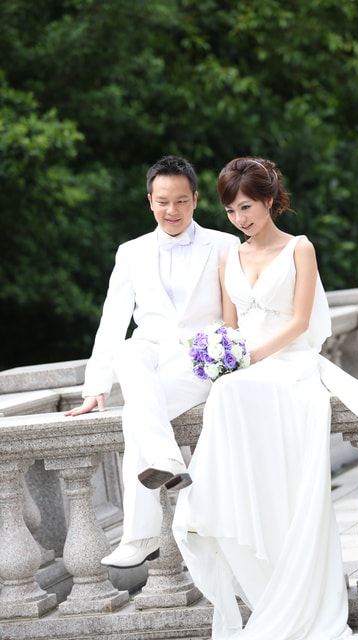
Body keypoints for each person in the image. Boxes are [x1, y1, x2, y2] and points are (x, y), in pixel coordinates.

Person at [173, 157, 358, 639]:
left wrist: (252, 357)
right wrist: (224, 354)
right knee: (226, 391)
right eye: (230, 211)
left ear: (269, 201)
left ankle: (298, 585)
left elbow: (299, 322)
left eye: (246, 207)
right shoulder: (230, 257)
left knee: (236, 389)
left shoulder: (299, 248)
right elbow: (230, 326)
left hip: (290, 362)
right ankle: (234, 517)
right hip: (248, 369)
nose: (239, 218)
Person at [65, 155, 239, 569]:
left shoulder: (224, 245)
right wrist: (96, 387)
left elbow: (237, 311)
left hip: (198, 360)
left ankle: (140, 537)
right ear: (149, 201)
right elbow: (113, 319)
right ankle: (167, 459)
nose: (171, 210)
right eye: (163, 202)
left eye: (181, 201)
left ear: (195, 199)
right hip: (151, 354)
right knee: (128, 350)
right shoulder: (131, 252)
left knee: (136, 417)